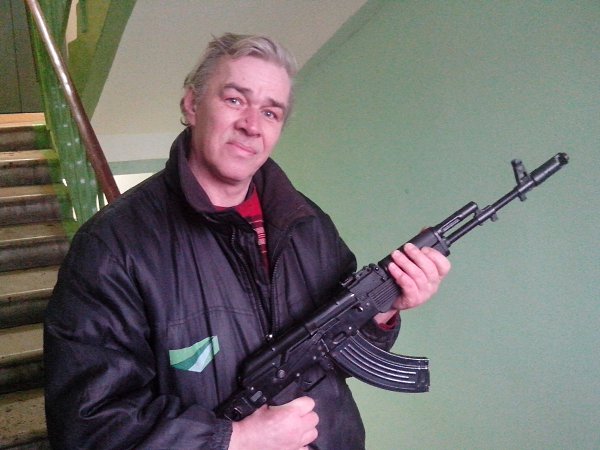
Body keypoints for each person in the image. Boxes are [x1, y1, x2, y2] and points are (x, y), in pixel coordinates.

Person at [44, 33, 451, 449]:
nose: (251, 126)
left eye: (270, 112)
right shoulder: (112, 247)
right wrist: (236, 438)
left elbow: (336, 350)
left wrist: (385, 308)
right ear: (191, 104)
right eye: (235, 100)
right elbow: (88, 424)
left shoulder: (307, 223)